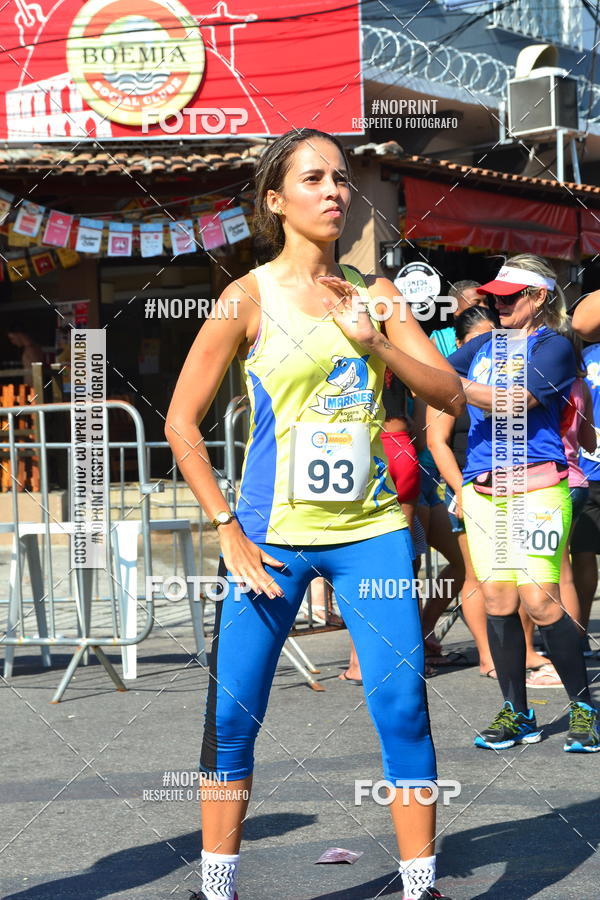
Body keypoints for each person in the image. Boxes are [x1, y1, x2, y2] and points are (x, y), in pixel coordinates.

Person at [165, 128, 464, 900]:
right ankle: (215, 887)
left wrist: (380, 343)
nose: (333, 190)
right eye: (313, 179)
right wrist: (225, 523)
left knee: (401, 704)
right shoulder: (247, 296)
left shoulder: (378, 293)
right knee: (235, 711)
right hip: (271, 539)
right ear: (275, 201)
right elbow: (179, 423)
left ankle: (419, 883)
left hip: (370, 533)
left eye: (339, 178)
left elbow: (448, 395)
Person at [448, 254, 599, 753]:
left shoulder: (555, 345)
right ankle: (517, 712)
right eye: (492, 297)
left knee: (539, 598)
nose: (497, 304)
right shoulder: (485, 343)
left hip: (537, 486)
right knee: (498, 600)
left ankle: (583, 707)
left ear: (538, 298)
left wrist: (452, 387)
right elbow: (431, 378)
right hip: (482, 487)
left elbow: (518, 401)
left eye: (509, 296)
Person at [570, 332, 600, 658]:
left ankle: (578, 636)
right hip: (585, 468)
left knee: (583, 555)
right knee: (582, 556)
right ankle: (577, 635)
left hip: (584, 467)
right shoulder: (582, 357)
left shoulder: (580, 358)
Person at [430, 279, 486, 357]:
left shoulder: (498, 333)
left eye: (486, 302)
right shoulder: (440, 340)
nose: (484, 307)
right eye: (475, 304)